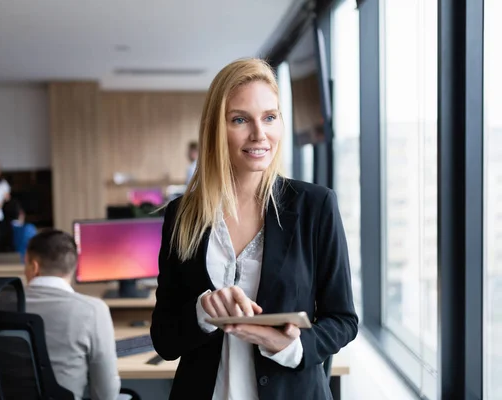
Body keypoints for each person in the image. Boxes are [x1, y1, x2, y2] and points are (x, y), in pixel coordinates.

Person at [150, 58, 358, 400]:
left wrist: (290, 345)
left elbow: (343, 319)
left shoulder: (314, 206)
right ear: (215, 127)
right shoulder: (183, 214)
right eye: (240, 119)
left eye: (270, 117)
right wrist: (204, 311)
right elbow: (164, 339)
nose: (259, 134)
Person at [24, 229, 121, 400]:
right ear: (73, 267)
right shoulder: (93, 310)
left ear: (34, 266)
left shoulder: (0, 305)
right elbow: (106, 393)